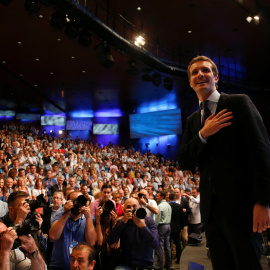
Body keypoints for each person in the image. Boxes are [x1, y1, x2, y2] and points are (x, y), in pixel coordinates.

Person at [180, 55, 270, 270]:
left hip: (242, 206)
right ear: (191, 82)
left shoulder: (238, 102)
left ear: (216, 77)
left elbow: (261, 151)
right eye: (194, 73)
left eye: (206, 70)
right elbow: (185, 161)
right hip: (211, 212)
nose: (200, 74)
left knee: (246, 263)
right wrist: (203, 133)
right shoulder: (194, 120)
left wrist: (263, 202)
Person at [107, 197, 160, 270]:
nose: (131, 209)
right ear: (124, 210)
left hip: (145, 264)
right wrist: (122, 222)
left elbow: (156, 244)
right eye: (128, 207)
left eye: (134, 206)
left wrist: (143, 227)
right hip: (126, 264)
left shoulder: (148, 221)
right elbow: (110, 240)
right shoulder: (122, 222)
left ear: (139, 208)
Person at [49, 191, 97, 270]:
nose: (77, 204)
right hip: (58, 266)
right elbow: (53, 236)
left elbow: (91, 243)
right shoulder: (61, 215)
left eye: (80, 200)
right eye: (74, 200)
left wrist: (88, 218)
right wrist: (66, 213)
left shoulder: (89, 218)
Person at [155, 191, 172, 270]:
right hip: (168, 225)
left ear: (162, 197)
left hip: (161, 226)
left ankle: (160, 266)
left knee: (160, 246)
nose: (156, 197)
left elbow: (157, 219)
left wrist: (154, 227)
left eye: (158, 196)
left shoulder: (160, 206)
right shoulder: (168, 205)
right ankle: (168, 264)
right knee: (167, 246)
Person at [168, 191, 184, 265]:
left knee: (168, 246)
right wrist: (182, 227)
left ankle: (169, 261)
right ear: (175, 198)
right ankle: (179, 259)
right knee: (178, 244)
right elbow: (182, 218)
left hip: (168, 227)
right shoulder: (179, 206)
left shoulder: (167, 206)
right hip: (177, 228)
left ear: (168, 198)